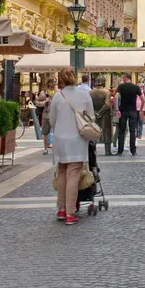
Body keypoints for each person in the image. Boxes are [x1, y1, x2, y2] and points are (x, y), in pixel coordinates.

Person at [50, 67, 94, 225]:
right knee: (73, 176)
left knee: (61, 173)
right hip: (77, 140)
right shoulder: (84, 94)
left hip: (60, 140)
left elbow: (52, 120)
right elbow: (91, 117)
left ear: (61, 79)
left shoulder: (57, 96)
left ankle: (61, 209)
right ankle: (70, 213)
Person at [116, 73, 144, 156]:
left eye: (123, 77)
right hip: (133, 111)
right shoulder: (135, 87)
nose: (122, 79)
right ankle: (133, 150)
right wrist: (141, 110)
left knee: (122, 131)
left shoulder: (121, 87)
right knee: (132, 131)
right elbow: (143, 100)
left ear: (125, 78)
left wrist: (117, 109)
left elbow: (116, 97)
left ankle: (120, 150)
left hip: (123, 110)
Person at [90, 75, 113, 156]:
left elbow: (88, 104)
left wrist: (95, 113)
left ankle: (93, 151)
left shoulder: (90, 92)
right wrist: (100, 113)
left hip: (93, 114)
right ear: (104, 82)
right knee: (106, 132)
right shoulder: (106, 92)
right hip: (104, 115)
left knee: (94, 132)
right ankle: (107, 151)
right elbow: (107, 104)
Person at [35, 78, 56, 155]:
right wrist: (44, 102)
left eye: (55, 82)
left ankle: (56, 148)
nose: (54, 83)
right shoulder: (43, 93)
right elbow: (36, 102)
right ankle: (45, 149)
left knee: (57, 133)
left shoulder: (58, 92)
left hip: (55, 115)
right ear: (49, 83)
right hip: (46, 115)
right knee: (45, 133)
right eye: (53, 82)